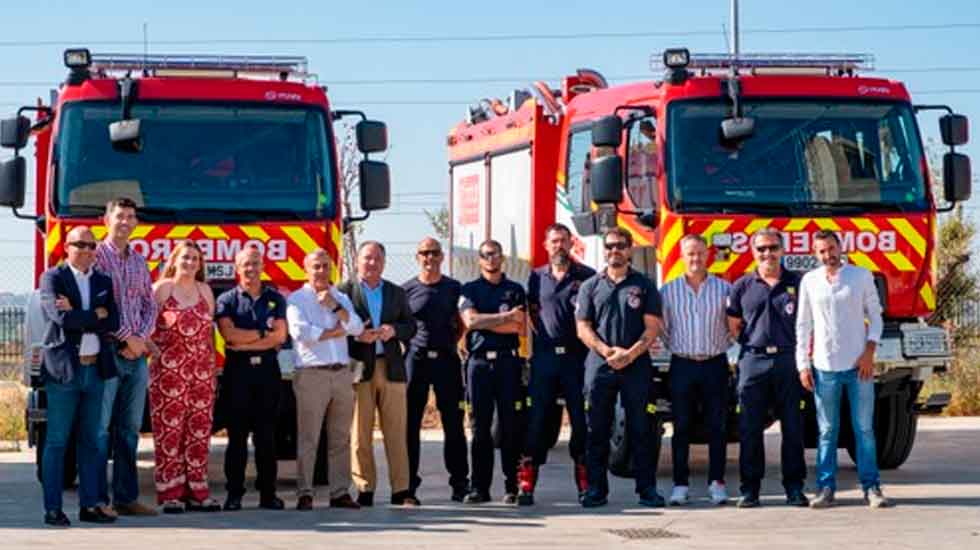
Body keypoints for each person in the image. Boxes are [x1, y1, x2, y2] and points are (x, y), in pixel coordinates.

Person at [796, 230, 892, 509]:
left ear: (841, 247)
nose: (828, 255)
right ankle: (826, 489)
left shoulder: (860, 276)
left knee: (864, 429)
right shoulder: (810, 281)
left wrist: (869, 353)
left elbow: (875, 316)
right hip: (824, 367)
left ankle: (872, 488)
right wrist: (803, 364)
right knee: (827, 430)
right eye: (822, 251)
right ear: (816, 254)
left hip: (858, 366)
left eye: (831, 248)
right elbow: (803, 325)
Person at [575, 227, 665, 508]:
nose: (615, 250)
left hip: (636, 366)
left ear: (630, 249)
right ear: (604, 249)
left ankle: (647, 489)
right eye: (610, 245)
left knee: (642, 429)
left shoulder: (645, 285)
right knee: (597, 431)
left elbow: (653, 328)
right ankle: (596, 490)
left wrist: (631, 353)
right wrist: (606, 351)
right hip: (600, 366)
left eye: (621, 245)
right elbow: (582, 327)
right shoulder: (590, 285)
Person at [39, 226, 120, 526]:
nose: (87, 251)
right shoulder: (52, 278)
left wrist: (81, 315)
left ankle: (90, 506)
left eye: (91, 246)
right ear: (66, 247)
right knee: (58, 442)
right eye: (81, 245)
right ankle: (52, 508)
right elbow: (61, 319)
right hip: (64, 373)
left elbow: (112, 319)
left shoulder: (103, 280)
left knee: (92, 442)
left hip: (96, 370)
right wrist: (92, 316)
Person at [726, 227, 809, 508]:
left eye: (773, 247)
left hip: (789, 360)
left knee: (794, 428)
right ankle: (750, 490)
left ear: (782, 250)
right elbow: (733, 325)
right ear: (754, 252)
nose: (767, 253)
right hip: (753, 361)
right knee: (750, 428)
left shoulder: (798, 283)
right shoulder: (742, 286)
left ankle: (795, 488)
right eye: (761, 249)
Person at [517, 223, 594, 505]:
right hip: (545, 357)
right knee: (536, 421)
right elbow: (530, 315)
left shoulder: (587, 277)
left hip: (577, 358)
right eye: (554, 241)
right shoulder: (536, 278)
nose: (559, 246)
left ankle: (586, 486)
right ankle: (527, 485)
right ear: (545, 246)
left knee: (581, 421)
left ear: (571, 244)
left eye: (563, 241)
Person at [340, 241, 418, 506]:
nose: (371, 263)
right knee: (360, 433)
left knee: (396, 431)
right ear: (358, 261)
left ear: (384, 263)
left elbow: (411, 326)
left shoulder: (396, 292)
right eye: (366, 258)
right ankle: (365, 488)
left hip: (392, 367)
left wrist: (394, 330)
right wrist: (357, 335)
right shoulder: (345, 292)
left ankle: (401, 490)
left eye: (376, 259)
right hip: (360, 368)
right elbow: (336, 327)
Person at [94, 197, 159, 517]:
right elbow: (97, 307)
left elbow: (150, 304)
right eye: (119, 215)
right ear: (107, 219)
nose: (125, 221)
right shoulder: (96, 258)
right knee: (99, 429)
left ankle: (125, 497)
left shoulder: (138, 261)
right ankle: (97, 499)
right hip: (108, 352)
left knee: (129, 430)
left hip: (137, 358)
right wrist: (126, 339)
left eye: (130, 217)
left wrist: (142, 339)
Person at [287, 248, 364, 510]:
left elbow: (357, 328)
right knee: (309, 437)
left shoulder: (340, 297)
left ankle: (340, 492)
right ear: (305, 268)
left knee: (340, 437)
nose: (321, 271)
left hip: (342, 375)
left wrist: (336, 308)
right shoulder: (296, 299)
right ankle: (305, 492)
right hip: (312, 375)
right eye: (316, 266)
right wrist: (334, 332)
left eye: (325, 266)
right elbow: (301, 332)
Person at [660, 234, 733, 506]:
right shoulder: (668, 291)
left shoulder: (724, 289)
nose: (695, 259)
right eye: (690, 253)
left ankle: (717, 483)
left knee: (718, 426)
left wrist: (720, 345)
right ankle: (680, 485)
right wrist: (679, 346)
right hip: (682, 365)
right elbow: (663, 329)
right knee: (681, 428)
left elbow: (732, 327)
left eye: (700, 253)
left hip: (715, 363)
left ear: (708, 256)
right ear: (682, 256)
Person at [147, 241, 219, 513]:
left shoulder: (205, 291)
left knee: (198, 432)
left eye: (195, 259)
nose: (190, 262)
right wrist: (157, 354)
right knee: (170, 431)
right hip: (169, 372)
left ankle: (198, 491)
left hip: (201, 373)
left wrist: (211, 369)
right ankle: (170, 493)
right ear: (175, 260)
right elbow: (146, 327)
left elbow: (209, 334)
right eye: (186, 257)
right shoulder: (162, 289)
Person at [215, 246, 288, 511]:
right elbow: (229, 335)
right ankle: (234, 494)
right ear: (237, 267)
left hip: (268, 373)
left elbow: (280, 336)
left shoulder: (275, 299)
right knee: (236, 438)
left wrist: (246, 340)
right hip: (238, 375)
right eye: (246, 263)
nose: (251, 268)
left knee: (267, 437)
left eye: (256, 263)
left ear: (262, 266)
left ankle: (268, 494)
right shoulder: (226, 300)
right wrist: (262, 335)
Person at [459, 239, 527, 504]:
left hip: (508, 363)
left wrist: (485, 321)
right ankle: (480, 488)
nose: (491, 259)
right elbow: (470, 321)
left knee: (511, 426)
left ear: (503, 258)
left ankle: (513, 486)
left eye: (496, 254)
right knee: (480, 427)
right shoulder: (469, 289)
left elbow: (519, 328)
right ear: (479, 259)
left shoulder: (515, 290)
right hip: (478, 365)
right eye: (486, 255)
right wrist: (503, 318)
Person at [402, 237, 470, 502]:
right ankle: (408, 486)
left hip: (446, 361)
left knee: (454, 424)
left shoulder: (454, 288)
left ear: (442, 257)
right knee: (410, 425)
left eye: (434, 253)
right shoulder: (406, 290)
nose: (429, 258)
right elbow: (402, 325)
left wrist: (453, 343)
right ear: (417, 257)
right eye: (424, 253)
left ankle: (460, 484)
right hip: (416, 362)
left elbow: (462, 323)